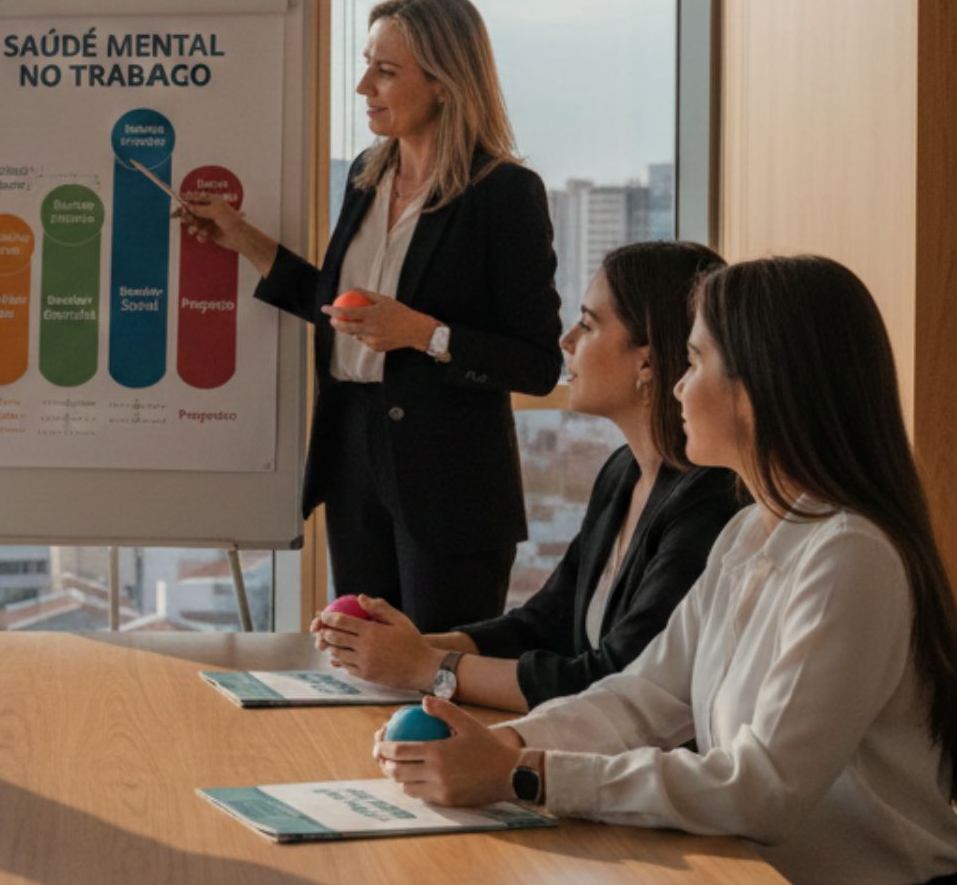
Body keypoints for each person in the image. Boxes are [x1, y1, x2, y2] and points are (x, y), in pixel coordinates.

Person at [370, 255, 957, 885]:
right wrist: (505, 745)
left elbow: (762, 789)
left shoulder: (850, 556)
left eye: (696, 363)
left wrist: (526, 774)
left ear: (757, 387)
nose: (678, 387)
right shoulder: (747, 533)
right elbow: (642, 698)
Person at [185, 0, 562, 630]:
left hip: (450, 478)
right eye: (367, 65)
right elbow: (340, 310)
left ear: (444, 83)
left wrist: (424, 334)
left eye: (386, 71)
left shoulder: (504, 193)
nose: (364, 87)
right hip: (352, 453)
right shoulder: (366, 175)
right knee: (360, 661)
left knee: (437, 669)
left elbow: (538, 364)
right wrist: (242, 239)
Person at [316, 241, 744, 710]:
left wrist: (428, 668)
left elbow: (614, 680)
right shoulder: (623, 472)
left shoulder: (709, 502)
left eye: (588, 325)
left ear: (647, 360)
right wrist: (398, 646)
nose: (567, 341)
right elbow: (543, 624)